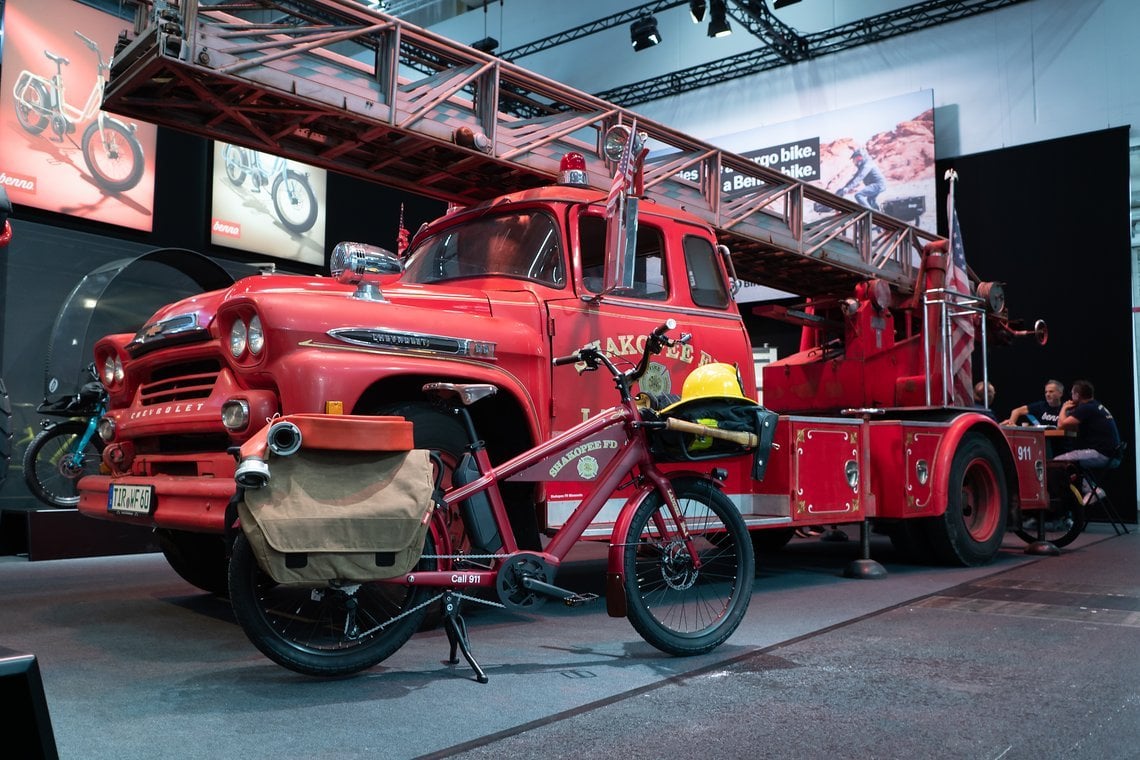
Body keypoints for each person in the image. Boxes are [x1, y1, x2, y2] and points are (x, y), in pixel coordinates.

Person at [1054, 379, 1122, 503]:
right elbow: (1073, 425)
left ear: (1077, 395)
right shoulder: (1095, 405)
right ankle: (1085, 494)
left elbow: (1061, 425)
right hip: (1112, 454)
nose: (1071, 395)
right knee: (1073, 465)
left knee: (1057, 463)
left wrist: (1063, 408)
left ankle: (1093, 491)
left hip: (1102, 454)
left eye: (1072, 393)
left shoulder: (1086, 408)